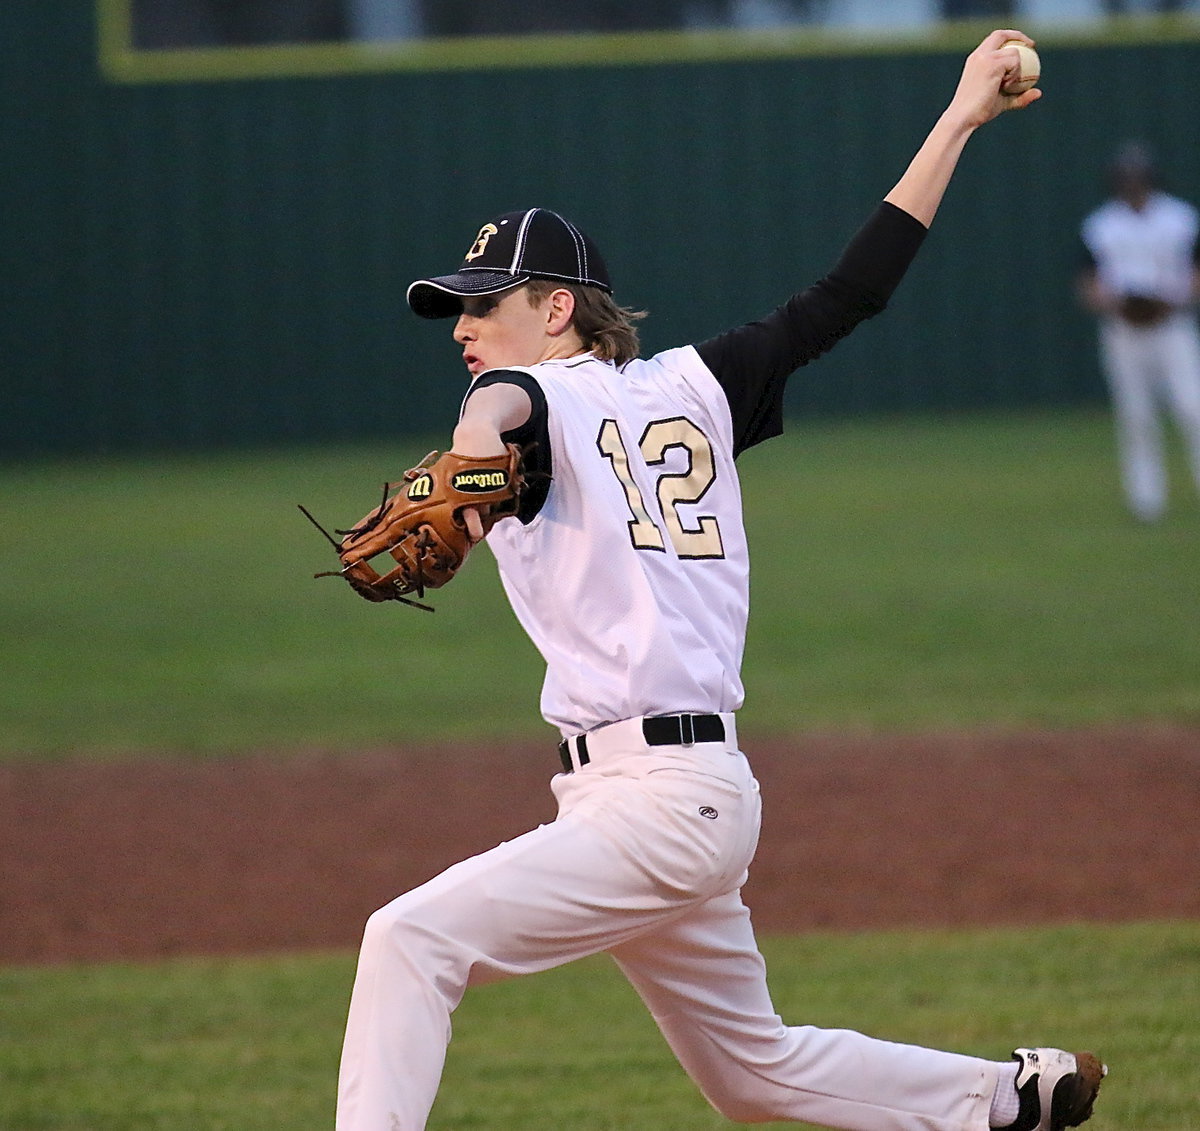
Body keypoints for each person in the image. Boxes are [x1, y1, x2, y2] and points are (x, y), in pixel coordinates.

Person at [335, 30, 1106, 1131]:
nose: (463, 325)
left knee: (409, 938)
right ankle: (1007, 1099)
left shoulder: (524, 404)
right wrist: (958, 120)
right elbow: (851, 293)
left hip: (655, 805)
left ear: (557, 309)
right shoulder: (698, 384)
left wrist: (474, 424)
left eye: (484, 302)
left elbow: (511, 408)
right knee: (751, 1075)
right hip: (692, 795)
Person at [1078, 140, 1200, 522]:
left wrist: (1172, 300)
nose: (1133, 184)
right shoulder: (1101, 225)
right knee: (1136, 415)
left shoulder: (1181, 218)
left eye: (1139, 177)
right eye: (1127, 178)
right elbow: (1088, 282)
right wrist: (1117, 304)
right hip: (1124, 329)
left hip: (1172, 324)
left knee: (1192, 408)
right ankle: (1146, 502)